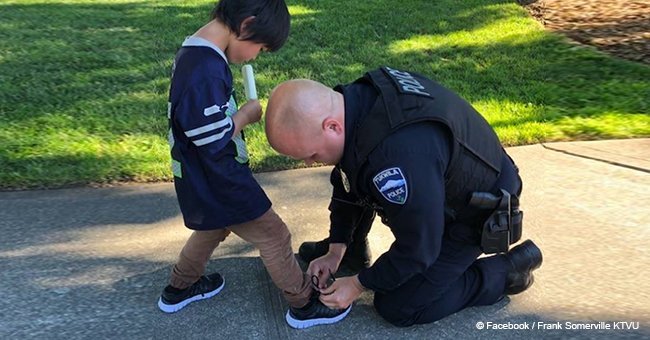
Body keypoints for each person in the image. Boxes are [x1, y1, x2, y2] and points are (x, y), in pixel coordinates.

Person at [264, 66, 543, 326]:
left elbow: (419, 247)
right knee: (362, 171)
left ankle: (506, 270)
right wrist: (337, 249)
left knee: (400, 305)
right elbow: (348, 176)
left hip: (477, 211)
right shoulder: (355, 102)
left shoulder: (395, 159)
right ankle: (354, 251)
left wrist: (360, 284)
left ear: (332, 126)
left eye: (312, 155)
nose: (312, 163)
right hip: (445, 180)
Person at [160, 0, 350, 329]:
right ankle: (303, 303)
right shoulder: (205, 68)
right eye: (260, 47)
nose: (255, 56)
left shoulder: (196, 54)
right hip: (221, 177)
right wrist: (244, 115)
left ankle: (180, 286)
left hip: (202, 178)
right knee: (274, 235)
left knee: (212, 228)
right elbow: (209, 137)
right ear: (246, 26)